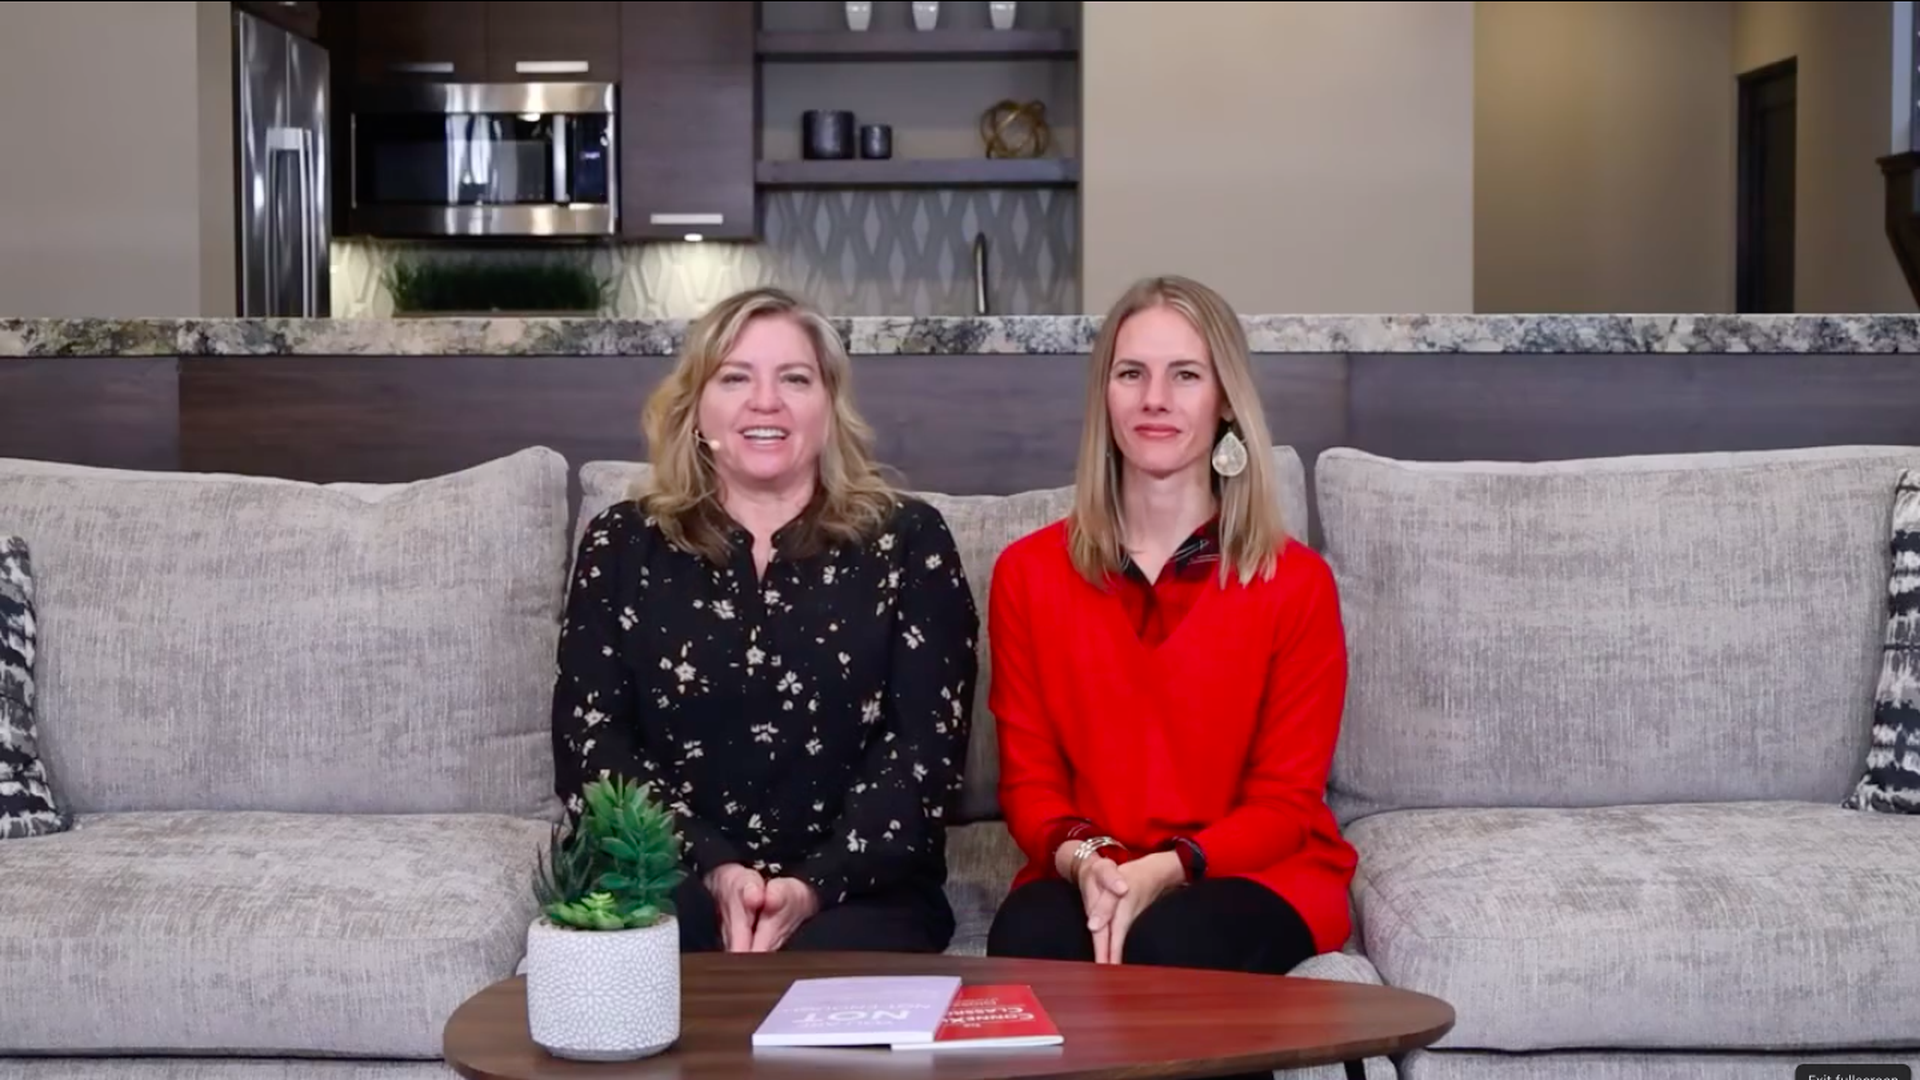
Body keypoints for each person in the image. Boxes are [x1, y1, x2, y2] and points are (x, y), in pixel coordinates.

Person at [984, 275, 1357, 1070]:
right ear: (1106, 398)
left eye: (1185, 374)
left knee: (1171, 944)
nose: (1155, 397)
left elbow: (1287, 803)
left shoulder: (1295, 583)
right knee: (1030, 937)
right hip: (1095, 863)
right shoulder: (1026, 574)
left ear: (1224, 399)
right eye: (1131, 373)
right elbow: (1029, 785)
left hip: (1257, 870)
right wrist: (1090, 865)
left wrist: (1167, 868)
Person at [550, 285, 979, 955]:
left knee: (825, 987)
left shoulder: (910, 541)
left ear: (829, 408)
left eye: (795, 379)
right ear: (696, 409)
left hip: (861, 884)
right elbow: (591, 744)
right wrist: (716, 868)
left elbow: (923, 758)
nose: (766, 401)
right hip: (663, 871)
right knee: (653, 957)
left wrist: (812, 885)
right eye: (735, 377)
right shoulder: (622, 544)